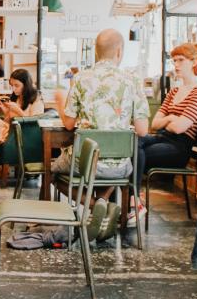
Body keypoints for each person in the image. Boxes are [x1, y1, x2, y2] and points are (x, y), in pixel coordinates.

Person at [52, 28, 150, 235]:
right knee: (117, 166)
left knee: (53, 172)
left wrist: (60, 102)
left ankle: (95, 205)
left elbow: (69, 124)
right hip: (120, 167)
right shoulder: (133, 80)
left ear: (96, 52)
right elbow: (142, 130)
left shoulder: (80, 79)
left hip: (84, 164)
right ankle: (104, 202)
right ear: (119, 51)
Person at [137, 43, 197, 177]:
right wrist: (170, 118)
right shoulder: (173, 91)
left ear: (194, 62)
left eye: (181, 60)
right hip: (161, 138)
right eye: (174, 61)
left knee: (135, 153)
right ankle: (131, 194)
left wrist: (167, 122)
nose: (176, 65)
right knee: (133, 142)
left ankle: (132, 194)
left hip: (179, 148)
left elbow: (179, 128)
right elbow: (154, 124)